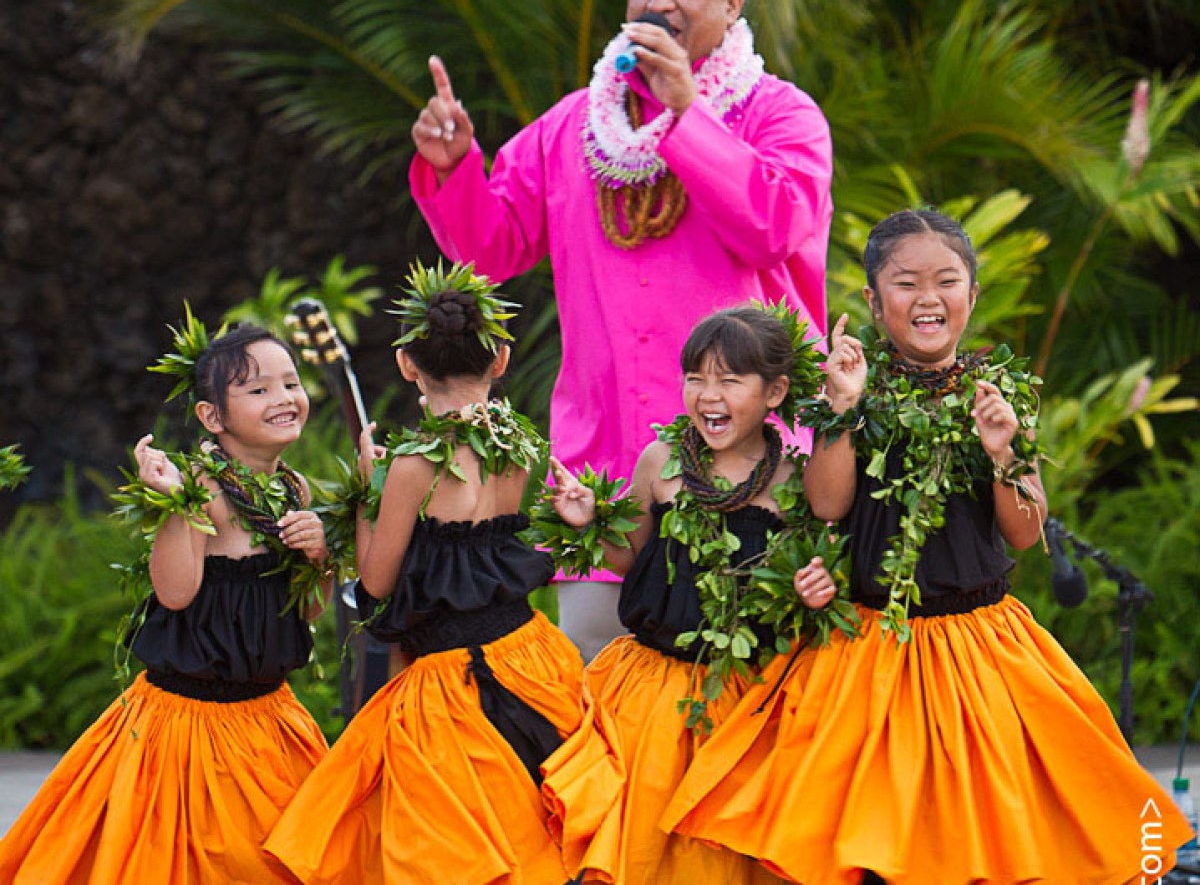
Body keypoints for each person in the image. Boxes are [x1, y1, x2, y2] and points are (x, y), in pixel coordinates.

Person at [661, 210, 1195, 884]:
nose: (927, 298)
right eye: (906, 282)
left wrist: (1004, 451)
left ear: (972, 295)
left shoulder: (999, 396)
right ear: (874, 300)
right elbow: (828, 504)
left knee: (988, 842)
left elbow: (1025, 531)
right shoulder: (849, 387)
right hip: (866, 647)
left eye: (946, 281)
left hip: (979, 646)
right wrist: (845, 409)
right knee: (862, 844)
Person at [409, 0, 834, 662]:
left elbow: (775, 229)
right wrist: (454, 168)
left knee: (755, 706)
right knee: (607, 706)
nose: (659, 0)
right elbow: (490, 249)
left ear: (731, 2)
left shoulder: (782, 115)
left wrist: (685, 109)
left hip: (754, 474)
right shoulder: (572, 125)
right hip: (603, 474)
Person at [264, 263, 585, 884]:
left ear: (408, 364)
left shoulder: (412, 465)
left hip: (451, 682)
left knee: (456, 845)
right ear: (500, 359)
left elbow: (377, 582)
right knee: (530, 826)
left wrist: (365, 491)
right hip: (530, 658)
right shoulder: (521, 444)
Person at [0, 322, 334, 884]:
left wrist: (321, 554)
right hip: (188, 729)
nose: (282, 398)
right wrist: (174, 503)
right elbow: (175, 593)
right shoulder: (201, 489)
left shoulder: (294, 490)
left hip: (271, 721)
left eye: (290, 383)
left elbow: (311, 611)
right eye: (258, 390)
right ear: (212, 417)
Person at [538, 305, 837, 883]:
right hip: (653, 691)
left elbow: (817, 571)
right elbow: (635, 561)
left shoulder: (795, 480)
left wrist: (815, 588)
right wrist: (592, 523)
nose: (708, 394)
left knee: (726, 851)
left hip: (752, 694)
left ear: (775, 390)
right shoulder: (662, 463)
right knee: (649, 841)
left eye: (729, 379)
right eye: (696, 377)